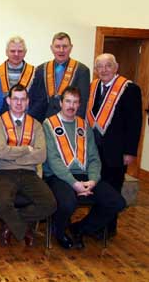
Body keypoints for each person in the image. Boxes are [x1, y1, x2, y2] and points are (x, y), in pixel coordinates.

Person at [43, 86, 125, 249]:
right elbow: (53, 160)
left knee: (117, 202)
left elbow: (94, 158)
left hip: (85, 176)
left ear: (79, 105)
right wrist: (74, 184)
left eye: (75, 102)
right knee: (68, 203)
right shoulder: (48, 124)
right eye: (67, 101)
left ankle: (80, 228)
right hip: (59, 177)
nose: (71, 106)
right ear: (60, 103)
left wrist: (93, 180)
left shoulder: (84, 126)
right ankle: (59, 232)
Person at [0, 84, 56, 247]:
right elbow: (0, 152)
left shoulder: (36, 125)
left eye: (22, 99)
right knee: (1, 203)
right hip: (4, 173)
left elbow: (41, 155)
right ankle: (22, 229)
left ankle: (10, 223)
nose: (19, 103)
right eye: (15, 99)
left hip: (29, 173)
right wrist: (27, 149)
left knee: (50, 204)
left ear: (28, 102)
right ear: (8, 100)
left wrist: (13, 158)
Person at [87, 53, 142, 236]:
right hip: (95, 150)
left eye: (108, 65)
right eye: (99, 66)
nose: (103, 70)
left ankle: (108, 229)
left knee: (113, 190)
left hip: (116, 152)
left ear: (116, 67)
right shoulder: (93, 87)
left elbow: (135, 123)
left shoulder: (129, 89)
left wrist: (130, 152)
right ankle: (96, 226)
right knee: (98, 189)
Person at [29, 32, 90, 122]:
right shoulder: (41, 69)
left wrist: (77, 124)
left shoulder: (82, 70)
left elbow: (82, 102)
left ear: (71, 48)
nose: (61, 50)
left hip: (69, 122)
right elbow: (36, 99)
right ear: (51, 48)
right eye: (57, 46)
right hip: (43, 121)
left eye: (65, 46)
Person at [0, 36, 35, 114]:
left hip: (27, 119)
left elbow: (37, 100)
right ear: (6, 52)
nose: (16, 54)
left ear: (25, 52)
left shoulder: (35, 73)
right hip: (1, 119)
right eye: (12, 51)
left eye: (20, 51)